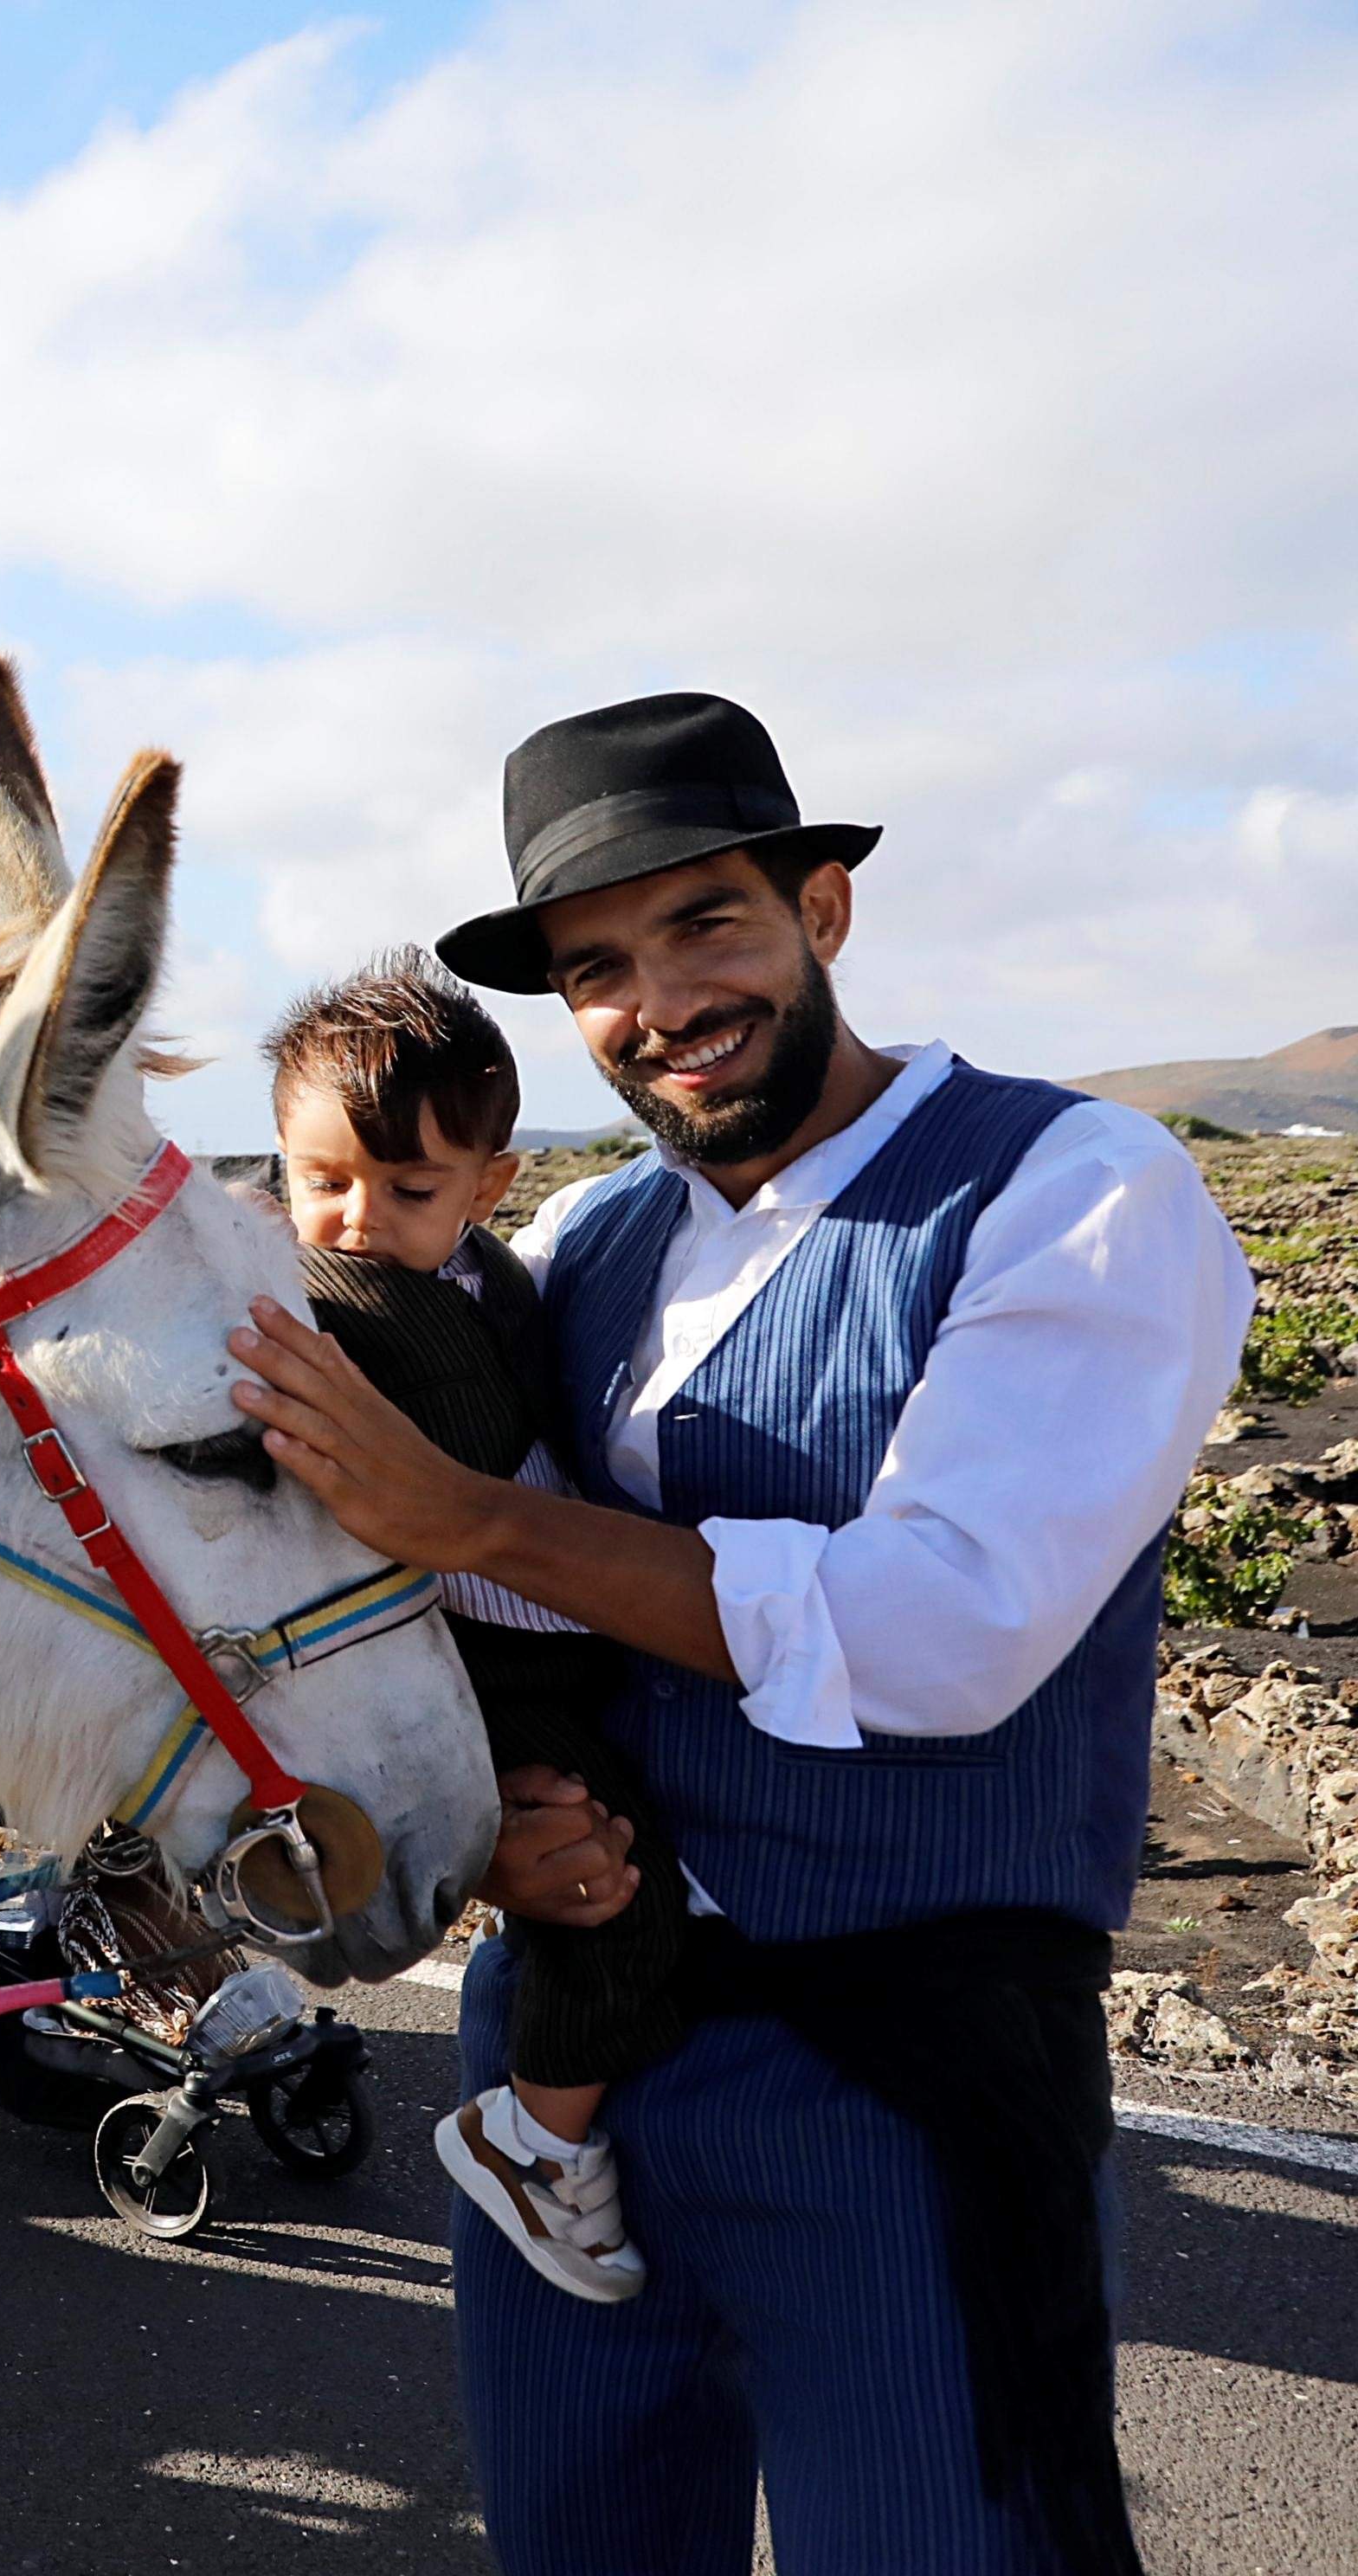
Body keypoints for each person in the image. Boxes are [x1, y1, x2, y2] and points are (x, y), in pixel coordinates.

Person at [228, 692, 1252, 2575]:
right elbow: (468, 1625)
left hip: (902, 2096)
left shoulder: (1076, 1194)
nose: (661, 995)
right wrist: (493, 1832)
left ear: (824, 911)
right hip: (567, 2061)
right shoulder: (597, 1240)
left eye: (709, 919)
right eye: (595, 963)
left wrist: (468, 1516)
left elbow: (947, 1630)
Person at [261, 952, 674, 2302]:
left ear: (491, 1189)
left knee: (604, 1854)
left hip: (534, 1617)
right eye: (319, 1181)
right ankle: (534, 2137)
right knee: (601, 1881)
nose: (353, 1220)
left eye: (407, 1188)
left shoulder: (493, 1281)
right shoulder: (345, 1313)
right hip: (474, 1651)